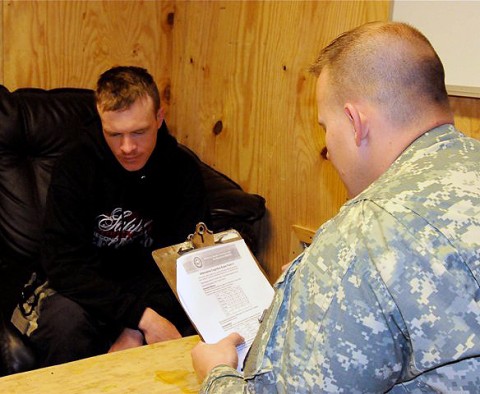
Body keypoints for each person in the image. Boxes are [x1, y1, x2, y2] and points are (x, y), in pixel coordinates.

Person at [191, 21, 480, 392]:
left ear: (355, 122)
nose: (326, 148)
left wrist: (216, 373)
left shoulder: (363, 235)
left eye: (325, 126)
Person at [19, 66, 209, 367]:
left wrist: (135, 328)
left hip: (155, 290)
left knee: (204, 324)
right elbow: (63, 264)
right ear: (100, 122)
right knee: (64, 326)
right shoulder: (74, 165)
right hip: (87, 290)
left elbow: (182, 260)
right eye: (114, 134)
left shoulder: (182, 171)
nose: (128, 147)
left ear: (159, 118)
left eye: (139, 132)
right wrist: (140, 318)